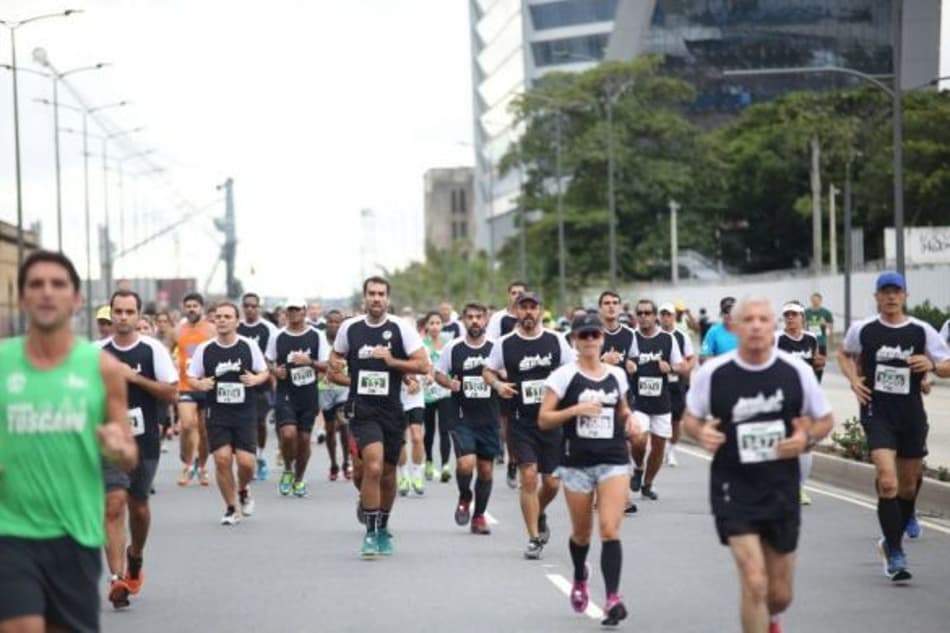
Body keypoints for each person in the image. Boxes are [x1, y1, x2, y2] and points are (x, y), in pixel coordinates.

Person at [0, 251, 137, 633]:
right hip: (10, 530)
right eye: (36, 284)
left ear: (76, 300)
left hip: (74, 531)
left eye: (58, 284)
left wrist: (115, 447)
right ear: (23, 298)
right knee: (22, 626)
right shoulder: (2, 363)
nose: (47, 292)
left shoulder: (101, 368)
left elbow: (128, 453)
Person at [684, 296, 834, 633]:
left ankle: (773, 617)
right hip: (733, 485)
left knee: (779, 594)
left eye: (763, 319)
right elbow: (689, 420)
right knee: (753, 580)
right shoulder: (714, 373)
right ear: (734, 327)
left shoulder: (795, 371)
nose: (755, 325)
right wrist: (701, 432)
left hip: (781, 485)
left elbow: (824, 420)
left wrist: (805, 440)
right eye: (747, 319)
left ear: (774, 326)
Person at [837, 272, 950, 581]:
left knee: (909, 485)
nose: (890, 297)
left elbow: (948, 364)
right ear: (876, 297)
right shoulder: (864, 329)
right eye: (884, 292)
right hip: (877, 411)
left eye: (896, 291)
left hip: (911, 413)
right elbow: (844, 354)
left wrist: (934, 366)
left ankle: (891, 538)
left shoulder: (922, 331)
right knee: (888, 481)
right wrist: (853, 379)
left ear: (905, 295)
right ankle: (896, 553)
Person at [539, 313, 640, 627]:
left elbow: (622, 408)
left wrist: (631, 420)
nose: (590, 341)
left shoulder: (616, 375)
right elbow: (544, 419)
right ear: (574, 341)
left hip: (613, 459)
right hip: (577, 463)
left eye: (595, 335)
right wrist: (575, 410)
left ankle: (612, 598)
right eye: (584, 336)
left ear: (602, 338)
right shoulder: (563, 376)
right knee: (582, 535)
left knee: (609, 529)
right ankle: (581, 576)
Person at [329, 276, 428, 558]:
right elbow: (334, 368)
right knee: (372, 467)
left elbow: (423, 365)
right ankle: (371, 534)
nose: (376, 298)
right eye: (371, 293)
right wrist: (352, 381)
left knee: (387, 473)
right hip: (363, 410)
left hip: (392, 410)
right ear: (364, 298)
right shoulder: (350, 328)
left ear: (387, 298)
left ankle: (383, 526)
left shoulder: (401, 328)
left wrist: (392, 362)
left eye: (381, 294)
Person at [99, 290, 178, 608]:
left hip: (143, 440)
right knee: (113, 504)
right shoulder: (96, 352)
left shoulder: (152, 350)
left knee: (138, 507)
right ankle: (117, 578)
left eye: (128, 312)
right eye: (117, 311)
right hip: (108, 440)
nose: (122, 317)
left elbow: (171, 393)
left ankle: (136, 555)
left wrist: (135, 378)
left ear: (137, 315)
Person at [483, 291, 576, 559]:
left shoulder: (556, 340)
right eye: (523, 308)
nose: (528, 313)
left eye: (533, 308)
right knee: (528, 477)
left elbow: (571, 372)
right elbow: (487, 370)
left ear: (540, 311)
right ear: (515, 311)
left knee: (552, 483)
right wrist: (498, 385)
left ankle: (540, 510)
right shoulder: (505, 343)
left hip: (551, 420)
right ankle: (534, 537)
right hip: (520, 421)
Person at [187, 302, 270, 525]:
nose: (222, 320)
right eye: (219, 316)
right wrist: (200, 383)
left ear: (236, 321)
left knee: (246, 463)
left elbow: (264, 371)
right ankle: (231, 507)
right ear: (214, 320)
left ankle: (243, 489)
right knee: (222, 459)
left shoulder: (248, 346)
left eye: (227, 316)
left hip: (244, 411)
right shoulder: (205, 349)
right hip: (217, 411)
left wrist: (255, 379)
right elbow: (192, 377)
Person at [434, 303, 500, 535]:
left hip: (490, 417)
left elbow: (508, 374)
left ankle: (479, 516)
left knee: (485, 471)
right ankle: (465, 495)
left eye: (478, 317)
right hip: (461, 416)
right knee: (465, 463)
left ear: (485, 321)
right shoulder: (454, 347)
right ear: (463, 320)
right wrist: (448, 383)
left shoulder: (496, 348)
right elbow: (438, 372)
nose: (474, 321)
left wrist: (501, 377)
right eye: (470, 317)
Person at [266, 297, 329, 497]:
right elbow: (267, 361)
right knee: (288, 435)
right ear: (286, 312)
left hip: (308, 394)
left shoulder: (317, 335)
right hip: (286, 393)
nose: (293, 313)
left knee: (303, 440)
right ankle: (287, 469)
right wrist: (275, 371)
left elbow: (327, 365)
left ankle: (299, 477)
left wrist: (309, 361)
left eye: (297, 309)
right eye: (290, 310)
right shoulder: (278, 336)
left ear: (304, 311)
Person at [627, 300, 683, 501]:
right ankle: (638, 467)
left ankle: (648, 484)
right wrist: (628, 365)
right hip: (638, 402)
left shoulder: (668, 339)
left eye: (647, 313)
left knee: (659, 447)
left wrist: (671, 368)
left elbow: (682, 365)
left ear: (655, 316)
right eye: (640, 313)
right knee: (639, 440)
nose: (643, 316)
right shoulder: (631, 337)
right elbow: (624, 360)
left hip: (661, 402)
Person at [775, 302, 824, 507]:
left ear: (802, 317)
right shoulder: (777, 339)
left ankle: (799, 487)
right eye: (787, 315)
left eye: (794, 315)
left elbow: (816, 364)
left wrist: (818, 366)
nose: (790, 319)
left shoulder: (811, 339)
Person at [597, 290, 638, 515]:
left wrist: (632, 365)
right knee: (600, 447)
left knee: (626, 445)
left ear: (621, 308)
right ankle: (600, 494)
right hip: (596, 398)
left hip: (622, 398)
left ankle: (623, 497)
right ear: (600, 308)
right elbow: (577, 363)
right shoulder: (591, 334)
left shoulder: (629, 334)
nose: (611, 307)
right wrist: (602, 359)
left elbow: (633, 358)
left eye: (615, 303)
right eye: (607, 303)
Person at [487, 281, 527, 487]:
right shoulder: (499, 318)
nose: (517, 296)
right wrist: (500, 369)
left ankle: (526, 459)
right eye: (514, 293)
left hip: (529, 376)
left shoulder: (531, 316)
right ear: (508, 295)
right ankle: (512, 459)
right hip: (505, 377)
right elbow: (491, 345)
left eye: (521, 293)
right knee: (508, 423)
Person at [238, 292, 280, 481]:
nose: (250, 309)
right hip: (240, 382)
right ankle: (248, 458)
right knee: (245, 422)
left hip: (262, 382)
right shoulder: (236, 327)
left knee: (260, 422)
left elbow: (274, 357)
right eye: (246, 305)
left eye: (253, 306)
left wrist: (272, 377)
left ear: (259, 307)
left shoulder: (269, 329)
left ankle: (260, 456)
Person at [175, 293, 214, 487]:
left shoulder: (211, 330)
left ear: (202, 307)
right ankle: (189, 465)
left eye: (195, 306)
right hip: (185, 385)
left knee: (205, 431)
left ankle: (203, 466)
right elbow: (167, 352)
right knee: (188, 425)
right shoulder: (178, 330)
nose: (191, 309)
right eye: (188, 306)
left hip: (207, 386)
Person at [659, 303, 697, 468]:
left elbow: (691, 357)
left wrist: (685, 369)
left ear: (674, 317)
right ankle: (660, 449)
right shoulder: (655, 335)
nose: (666, 318)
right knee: (660, 419)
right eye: (663, 314)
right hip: (658, 383)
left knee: (676, 420)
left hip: (677, 382)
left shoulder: (682, 336)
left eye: (669, 315)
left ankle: (671, 448)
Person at [422, 311, 455, 483]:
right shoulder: (421, 344)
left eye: (438, 323)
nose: (435, 326)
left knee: (445, 430)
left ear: (442, 325)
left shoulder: (448, 343)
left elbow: (452, 365)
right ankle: (428, 461)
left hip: (444, 391)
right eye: (432, 323)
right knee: (429, 430)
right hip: (427, 393)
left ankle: (445, 466)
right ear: (426, 325)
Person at [320, 309, 353, 480]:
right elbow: (313, 363)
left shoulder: (347, 340)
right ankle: (333, 464)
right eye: (330, 321)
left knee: (344, 423)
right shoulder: (320, 340)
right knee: (330, 429)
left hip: (343, 389)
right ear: (326, 323)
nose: (333, 325)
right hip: (325, 390)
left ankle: (347, 461)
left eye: (337, 322)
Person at [804, 293, 834, 381]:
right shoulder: (806, 312)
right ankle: (810, 381)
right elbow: (801, 326)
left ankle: (818, 381)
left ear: (820, 301)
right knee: (809, 364)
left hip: (821, 343)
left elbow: (831, 328)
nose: (815, 303)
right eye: (813, 301)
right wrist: (805, 325)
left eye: (817, 301)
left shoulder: (826, 313)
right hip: (809, 342)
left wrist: (825, 324)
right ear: (811, 301)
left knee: (820, 364)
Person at [701, 296, 739, 362]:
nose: (730, 314)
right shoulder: (713, 332)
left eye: (733, 311)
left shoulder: (746, 330)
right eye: (726, 311)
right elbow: (703, 357)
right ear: (721, 313)